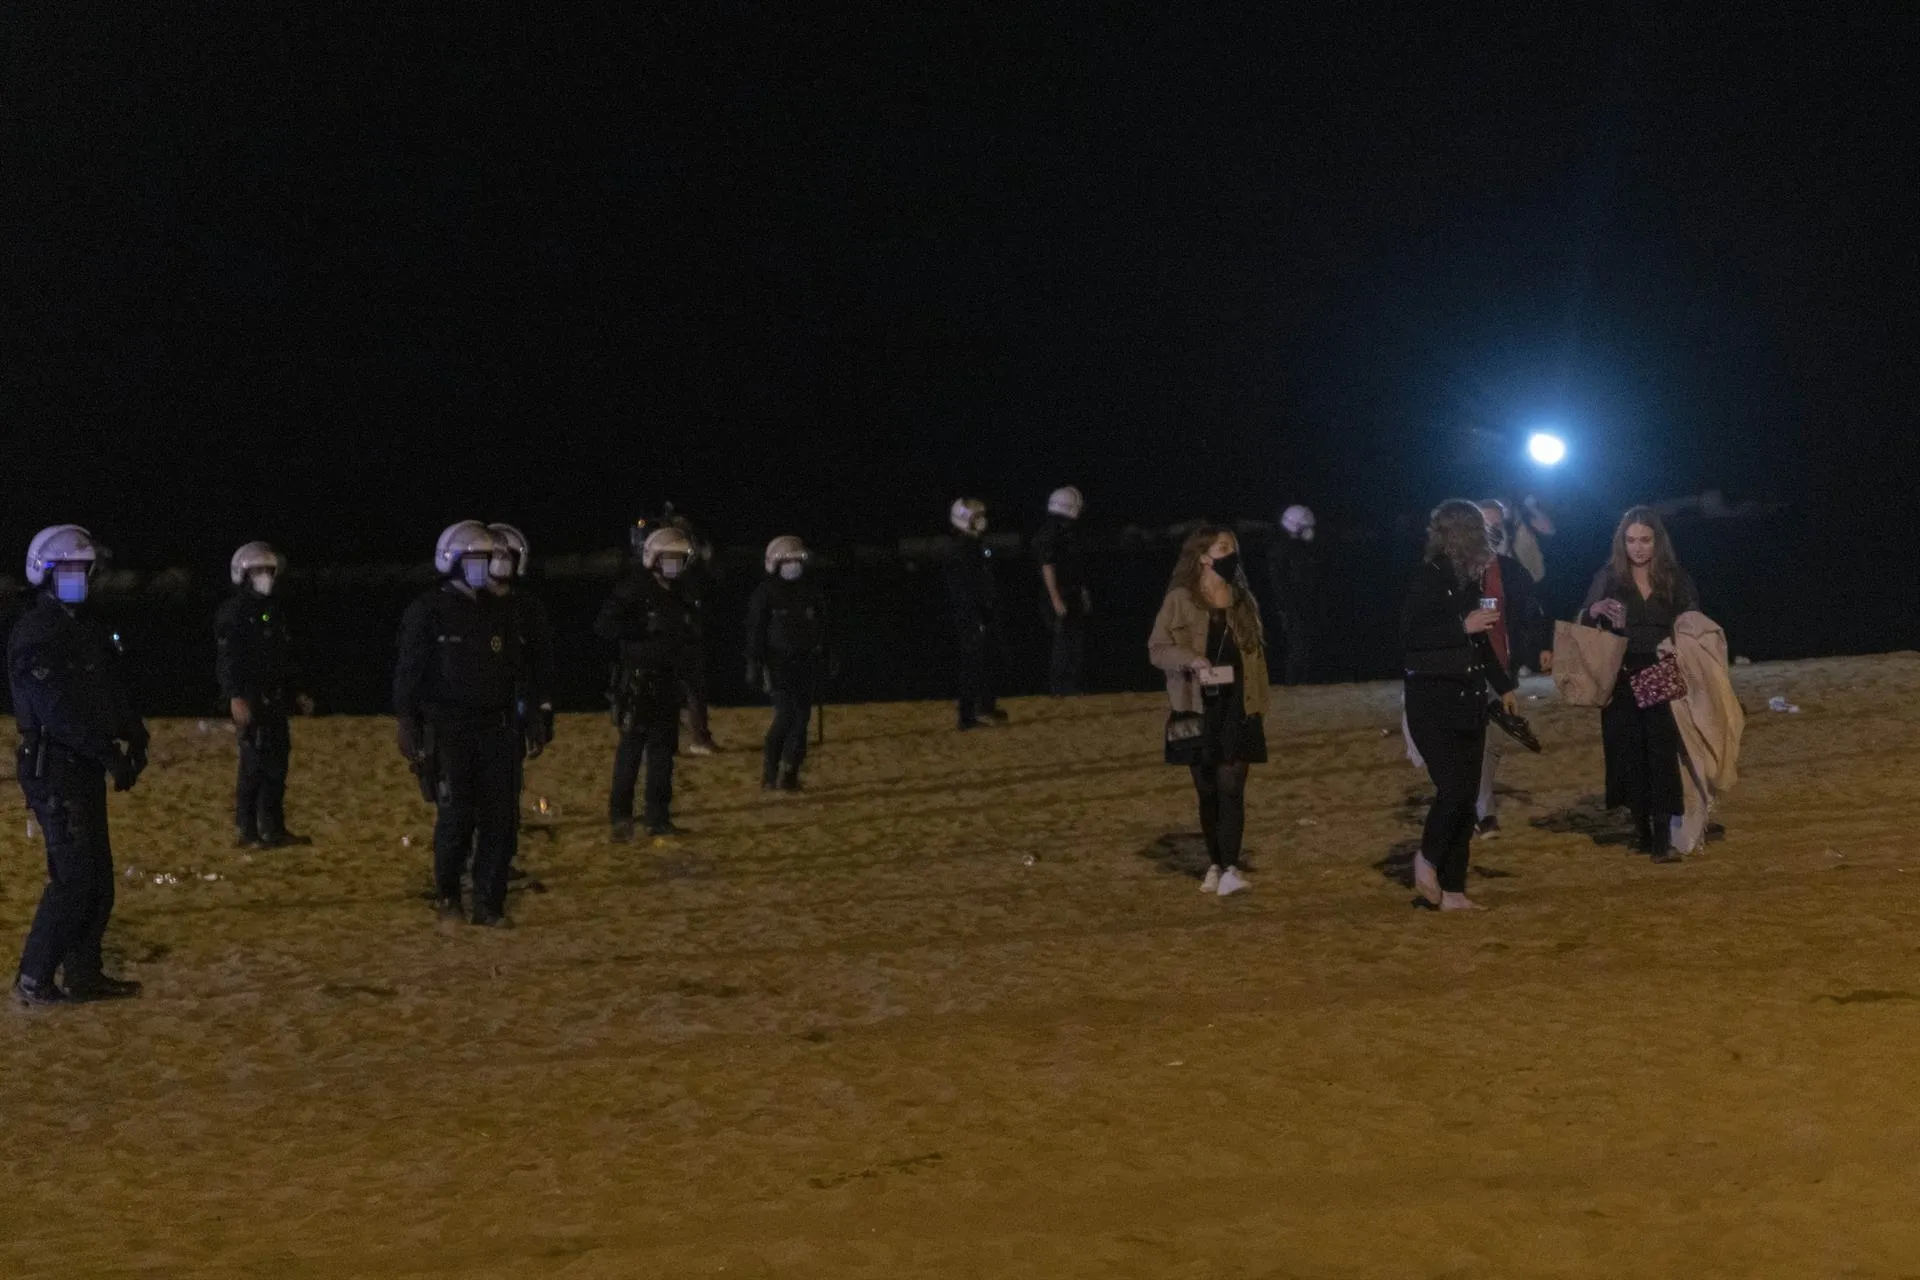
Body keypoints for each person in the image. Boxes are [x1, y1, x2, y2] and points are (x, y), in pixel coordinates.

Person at [10, 525, 149, 1006]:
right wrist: (107, 752)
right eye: (72, 569)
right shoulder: (36, 633)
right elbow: (56, 710)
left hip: (82, 762)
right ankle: (34, 978)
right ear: (46, 575)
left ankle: (84, 974)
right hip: (55, 766)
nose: (82, 578)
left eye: (85, 570)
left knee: (99, 879)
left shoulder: (78, 629)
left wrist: (134, 733)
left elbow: (106, 690)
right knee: (74, 878)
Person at [394, 521, 525, 927]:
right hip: (448, 728)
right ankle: (448, 892)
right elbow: (408, 673)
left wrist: (531, 715)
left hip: (496, 727)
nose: (484, 567)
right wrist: (408, 723)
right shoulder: (428, 612)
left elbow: (516, 669)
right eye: (476, 559)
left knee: (501, 818)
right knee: (457, 815)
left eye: (488, 559)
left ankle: (489, 904)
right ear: (452, 561)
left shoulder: (500, 610)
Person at [1401, 500, 1516, 911]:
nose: (1487, 541)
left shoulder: (1469, 582)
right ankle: (1427, 859)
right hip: (1432, 700)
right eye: (1480, 532)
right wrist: (1459, 626)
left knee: (1466, 797)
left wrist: (1503, 685)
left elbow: (1481, 640)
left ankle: (1453, 890)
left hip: (1468, 697)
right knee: (1451, 788)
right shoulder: (1427, 576)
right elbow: (1410, 635)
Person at [1149, 526, 1270, 897]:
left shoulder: (1243, 599)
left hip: (1238, 705)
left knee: (1232, 787)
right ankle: (1215, 864)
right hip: (1196, 705)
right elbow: (1156, 649)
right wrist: (1191, 660)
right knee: (1207, 791)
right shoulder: (1180, 599)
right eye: (1223, 547)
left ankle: (1231, 867)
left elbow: (1257, 654)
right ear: (1203, 556)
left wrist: (1259, 706)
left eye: (1233, 547)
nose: (1231, 553)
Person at [1581, 506, 1700, 864]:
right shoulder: (1610, 576)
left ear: (1657, 541)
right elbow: (1584, 619)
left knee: (1661, 752)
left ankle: (1661, 834)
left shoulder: (1673, 578)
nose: (1638, 548)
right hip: (1621, 669)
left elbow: (1693, 620)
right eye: (1631, 540)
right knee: (1628, 752)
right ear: (1622, 542)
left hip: (1660, 667)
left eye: (1645, 540)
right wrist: (1597, 610)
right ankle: (1640, 827)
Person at [599, 525, 702, 839]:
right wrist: (641, 628)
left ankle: (657, 817)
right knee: (631, 750)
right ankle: (620, 817)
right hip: (638, 682)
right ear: (653, 558)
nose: (675, 565)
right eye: (669, 558)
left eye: (680, 559)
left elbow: (689, 635)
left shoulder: (683, 592)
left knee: (663, 753)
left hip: (669, 682)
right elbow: (605, 627)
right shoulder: (633, 589)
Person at [217, 542, 312, 850]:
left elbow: (284, 656)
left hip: (276, 698)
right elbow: (229, 658)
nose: (264, 577)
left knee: (277, 765)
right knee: (253, 765)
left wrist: (296, 692)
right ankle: (248, 831)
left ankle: (274, 827)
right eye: (257, 571)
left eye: (268, 571)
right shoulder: (234, 613)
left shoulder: (274, 610)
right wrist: (235, 697)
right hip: (251, 697)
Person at [1470, 501, 1550, 840]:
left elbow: (1532, 610)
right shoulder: (1450, 573)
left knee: (1491, 742)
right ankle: (1477, 809)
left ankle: (1482, 811)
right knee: (1468, 741)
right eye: (1483, 527)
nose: (1491, 533)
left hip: (1499, 668)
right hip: (1461, 671)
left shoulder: (1511, 572)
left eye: (1495, 527)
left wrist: (1544, 645)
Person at [485, 523, 555, 881]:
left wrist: (542, 711)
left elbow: (540, 664)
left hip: (511, 713)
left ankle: (501, 859)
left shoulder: (527, 609)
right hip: (472, 715)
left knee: (508, 791)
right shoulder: (463, 606)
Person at [744, 535, 829, 793]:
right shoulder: (766, 592)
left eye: (797, 561)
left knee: (802, 717)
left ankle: (790, 771)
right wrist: (754, 664)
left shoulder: (811, 590)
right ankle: (770, 771)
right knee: (786, 714)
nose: (793, 566)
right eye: (788, 561)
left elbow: (824, 624)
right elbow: (755, 630)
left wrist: (828, 653)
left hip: (805, 659)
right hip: (777, 660)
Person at [944, 497, 1006, 730]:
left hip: (981, 610)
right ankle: (966, 716)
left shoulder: (973, 545)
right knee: (973, 662)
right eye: (976, 517)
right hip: (971, 614)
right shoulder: (962, 550)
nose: (982, 521)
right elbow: (966, 589)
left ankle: (986, 705)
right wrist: (976, 615)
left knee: (990, 658)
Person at [1034, 486, 1092, 696]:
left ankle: (1072, 685)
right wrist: (1056, 598)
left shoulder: (1068, 532)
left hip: (1072, 591)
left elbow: (1076, 566)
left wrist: (1083, 591)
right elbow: (1047, 565)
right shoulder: (1050, 534)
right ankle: (1059, 687)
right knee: (1063, 641)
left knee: (1075, 640)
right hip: (1060, 593)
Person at [1267, 503, 1322, 685]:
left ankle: (1302, 681)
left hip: (1301, 606)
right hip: (1293, 608)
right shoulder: (1284, 551)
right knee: (1298, 648)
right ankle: (1295, 683)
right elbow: (1281, 584)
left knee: (1304, 647)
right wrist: (1288, 608)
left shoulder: (1299, 550)